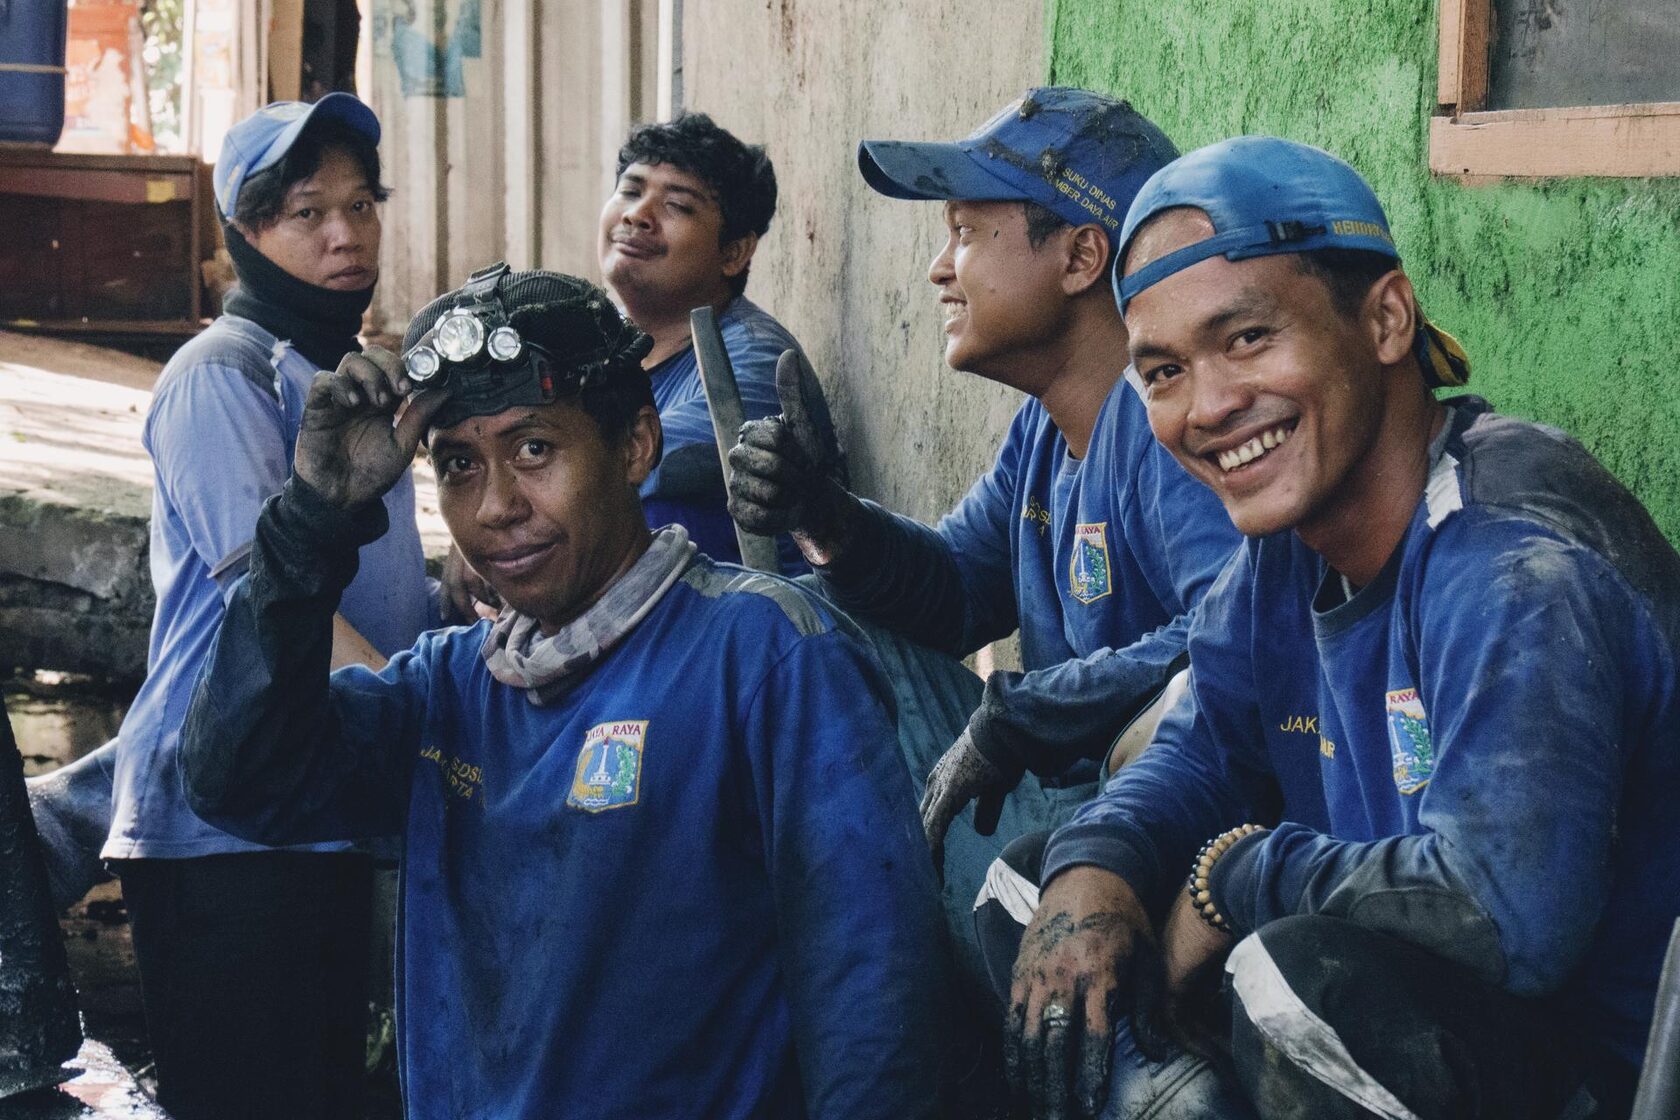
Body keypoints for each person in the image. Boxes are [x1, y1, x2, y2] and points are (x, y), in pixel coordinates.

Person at [1004, 136, 1678, 1120]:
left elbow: (1501, 915)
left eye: (1247, 340)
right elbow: (1199, 754)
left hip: (1595, 1078)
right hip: (1448, 1038)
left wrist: (1232, 877)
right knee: (1048, 907)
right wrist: (1095, 870)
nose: (1211, 406)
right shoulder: (1287, 552)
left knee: (1297, 984)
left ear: (1386, 319)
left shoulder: (1511, 557)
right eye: (1162, 373)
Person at [176, 266, 949, 1119]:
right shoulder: (453, 687)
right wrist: (311, 522)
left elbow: (874, 998)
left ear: (635, 445)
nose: (498, 506)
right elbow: (240, 782)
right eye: (460, 465)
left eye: (535, 449)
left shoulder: (764, 657)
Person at [726, 88, 1240, 979]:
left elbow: (1233, 640)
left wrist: (1029, 713)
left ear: (1082, 255)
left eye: (965, 230)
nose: (939, 267)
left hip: (1154, 837)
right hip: (1066, 805)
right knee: (791, 620)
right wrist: (825, 515)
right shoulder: (1046, 429)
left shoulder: (1164, 430)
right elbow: (955, 593)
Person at [97, 95, 441, 1120]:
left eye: (362, 203)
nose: (347, 234)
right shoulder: (224, 376)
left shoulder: (341, 372)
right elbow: (277, 596)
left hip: (317, 799)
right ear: (244, 235)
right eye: (306, 213)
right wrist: (442, 730)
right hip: (223, 820)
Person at [599, 111, 841, 572]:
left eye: (677, 206)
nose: (637, 214)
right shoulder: (608, 347)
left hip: (748, 631)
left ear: (733, 252)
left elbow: (616, 473)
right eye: (631, 191)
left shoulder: (754, 362)